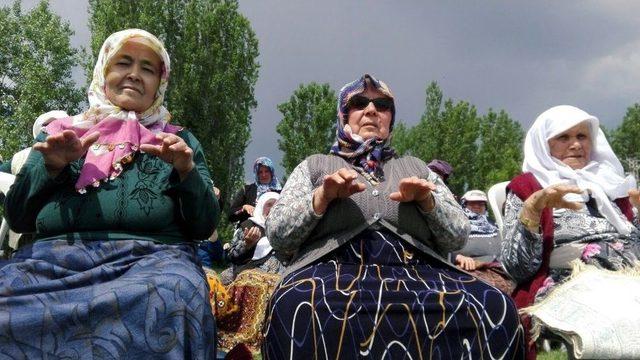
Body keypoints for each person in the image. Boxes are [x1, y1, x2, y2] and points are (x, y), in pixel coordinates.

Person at [262, 74, 523, 359]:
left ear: (391, 118)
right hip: (330, 273)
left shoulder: (417, 168)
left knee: (494, 305)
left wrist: (427, 201)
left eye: (382, 105)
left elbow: (458, 236)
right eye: (360, 103)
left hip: (418, 275)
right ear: (344, 115)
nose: (372, 110)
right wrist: (321, 197)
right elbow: (278, 234)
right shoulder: (314, 166)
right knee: (294, 304)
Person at [0, 29, 219, 358]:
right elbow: (17, 217)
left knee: (175, 294)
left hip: (152, 264)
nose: (134, 74)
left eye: (147, 68)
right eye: (124, 62)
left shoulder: (179, 141)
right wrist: (50, 166)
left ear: (160, 82)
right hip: (52, 266)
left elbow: (203, 226)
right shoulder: (61, 134)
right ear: (103, 70)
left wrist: (185, 171)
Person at [501, 105, 640, 359]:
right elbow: (516, 267)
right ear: (544, 145)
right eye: (563, 137)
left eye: (582, 136)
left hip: (630, 277)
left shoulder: (613, 184)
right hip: (571, 280)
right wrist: (534, 207)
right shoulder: (529, 187)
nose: (575, 145)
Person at [221, 191, 283, 284]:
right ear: (261, 206)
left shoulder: (286, 229)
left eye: (276, 205)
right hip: (247, 275)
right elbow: (230, 257)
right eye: (269, 204)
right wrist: (246, 245)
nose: (272, 209)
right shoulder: (248, 225)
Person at [228, 157, 282, 223]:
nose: (264, 175)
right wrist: (244, 208)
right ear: (256, 174)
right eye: (260, 172)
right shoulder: (247, 190)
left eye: (266, 171)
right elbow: (230, 215)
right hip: (248, 230)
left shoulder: (281, 192)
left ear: (271, 172)